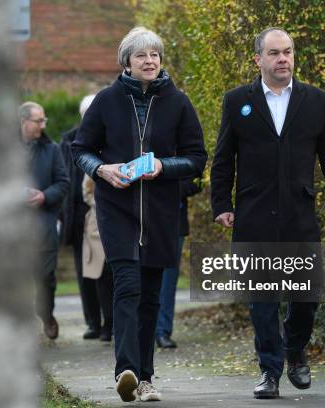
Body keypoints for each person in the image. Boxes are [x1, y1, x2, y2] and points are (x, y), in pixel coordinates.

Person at [210, 27, 325, 399]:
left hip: (299, 213)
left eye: (288, 52)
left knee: (306, 296)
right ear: (258, 59)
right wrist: (222, 205)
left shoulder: (316, 101)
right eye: (274, 53)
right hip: (254, 213)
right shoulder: (236, 101)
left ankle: (295, 350)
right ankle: (269, 371)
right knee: (262, 300)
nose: (283, 59)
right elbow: (223, 158)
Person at [71, 27, 207, 403]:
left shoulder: (178, 102)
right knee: (127, 286)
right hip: (117, 209)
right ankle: (125, 371)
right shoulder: (106, 101)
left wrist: (164, 165)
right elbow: (81, 148)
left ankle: (145, 379)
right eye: (142, 56)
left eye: (155, 55)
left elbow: (197, 159)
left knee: (150, 297)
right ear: (126, 62)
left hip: (161, 213)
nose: (150, 62)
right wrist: (102, 169)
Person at [21, 101, 69, 340]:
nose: (43, 125)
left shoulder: (52, 150)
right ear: (23, 122)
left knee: (45, 277)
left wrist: (44, 196)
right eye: (38, 121)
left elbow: (63, 183)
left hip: (44, 222)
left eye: (44, 120)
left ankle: (46, 314)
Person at [60, 94, 105, 340]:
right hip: (78, 214)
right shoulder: (68, 140)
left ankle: (109, 323)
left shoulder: (108, 135)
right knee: (84, 272)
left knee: (106, 272)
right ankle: (92, 322)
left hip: (102, 213)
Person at [155, 178, 201, 349]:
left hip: (173, 220)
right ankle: (140, 331)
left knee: (168, 279)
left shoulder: (180, 151)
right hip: (140, 219)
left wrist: (167, 185)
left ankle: (162, 331)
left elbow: (197, 181)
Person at [81, 174, 114, 342]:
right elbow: (87, 191)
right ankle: (106, 323)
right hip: (98, 223)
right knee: (101, 275)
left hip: (125, 220)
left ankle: (114, 323)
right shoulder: (94, 162)